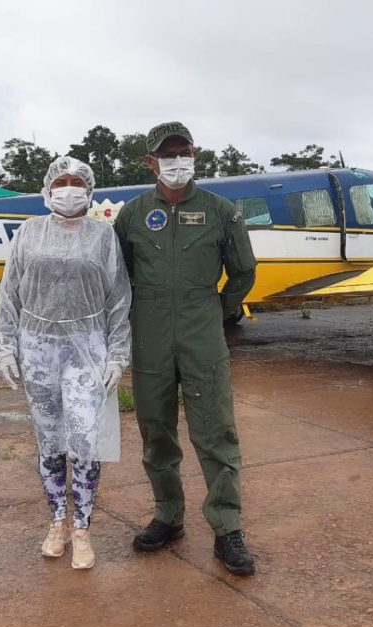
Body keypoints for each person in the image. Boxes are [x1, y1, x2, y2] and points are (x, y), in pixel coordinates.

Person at [113, 122, 258, 575]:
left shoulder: (221, 211)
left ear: (194, 156)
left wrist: (216, 312)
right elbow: (118, 276)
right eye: (167, 154)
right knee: (156, 432)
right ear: (150, 162)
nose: (177, 162)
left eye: (184, 152)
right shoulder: (133, 214)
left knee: (215, 431)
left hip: (201, 328)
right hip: (150, 331)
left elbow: (243, 272)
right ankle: (168, 515)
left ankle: (227, 526)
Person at [0, 155, 131, 570]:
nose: (68, 188)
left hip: (86, 348)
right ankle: (57, 520)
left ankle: (83, 529)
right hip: (37, 347)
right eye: (61, 181)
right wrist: (4, 345)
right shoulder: (28, 233)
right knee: (50, 439)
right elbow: (10, 292)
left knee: (84, 440)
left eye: (76, 182)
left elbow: (119, 298)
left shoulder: (102, 236)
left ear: (88, 190)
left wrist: (118, 353)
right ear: (48, 188)